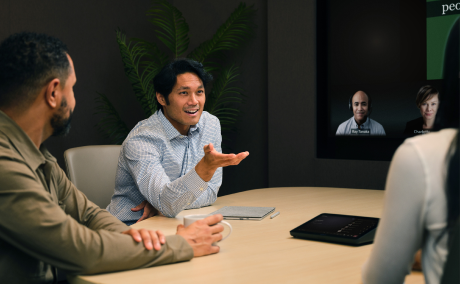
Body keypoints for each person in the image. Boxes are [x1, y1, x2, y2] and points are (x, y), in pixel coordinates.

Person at [0, 32, 226, 284]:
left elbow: (88, 214)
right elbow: (79, 249)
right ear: (54, 92)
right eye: (72, 88)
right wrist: (179, 245)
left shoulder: (37, 154)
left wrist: (139, 239)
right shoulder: (4, 164)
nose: (74, 100)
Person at [362, 19, 459, 284]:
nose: (429, 110)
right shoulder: (413, 131)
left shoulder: (422, 154)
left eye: (433, 104)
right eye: (424, 104)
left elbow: (380, 278)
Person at [107, 59, 249, 222]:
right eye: (184, 93)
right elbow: (167, 204)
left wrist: (167, 203)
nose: (194, 101)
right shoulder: (141, 140)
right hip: (129, 227)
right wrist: (204, 169)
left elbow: (210, 193)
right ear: (161, 98)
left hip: (176, 222)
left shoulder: (210, 124)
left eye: (199, 92)